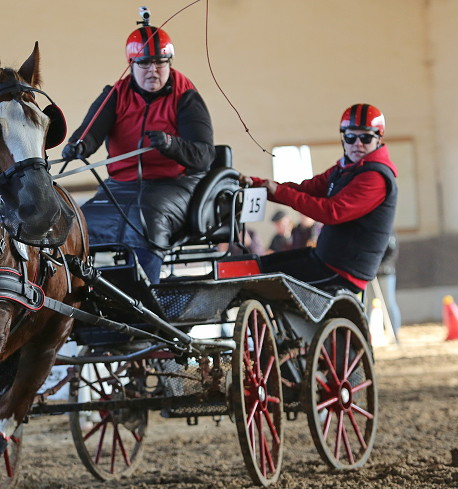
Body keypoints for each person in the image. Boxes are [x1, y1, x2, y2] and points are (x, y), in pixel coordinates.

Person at [61, 14, 215, 284]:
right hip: (120, 186)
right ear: (131, 64)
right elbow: (90, 133)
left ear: (169, 63)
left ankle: (146, 300)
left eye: (159, 62)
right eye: (144, 63)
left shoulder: (186, 96)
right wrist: (78, 146)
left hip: (175, 185)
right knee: (78, 224)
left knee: (146, 218)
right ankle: (83, 297)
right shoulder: (116, 94)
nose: (152, 70)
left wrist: (171, 145)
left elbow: (204, 156)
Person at [240, 104, 398, 293]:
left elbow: (332, 212)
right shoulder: (344, 168)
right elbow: (306, 189)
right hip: (324, 258)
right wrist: (254, 184)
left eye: (365, 137)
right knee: (256, 266)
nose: (357, 143)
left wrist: (279, 192)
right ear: (343, 138)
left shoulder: (375, 177)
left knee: (262, 278)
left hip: (343, 271)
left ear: (378, 139)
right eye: (350, 136)